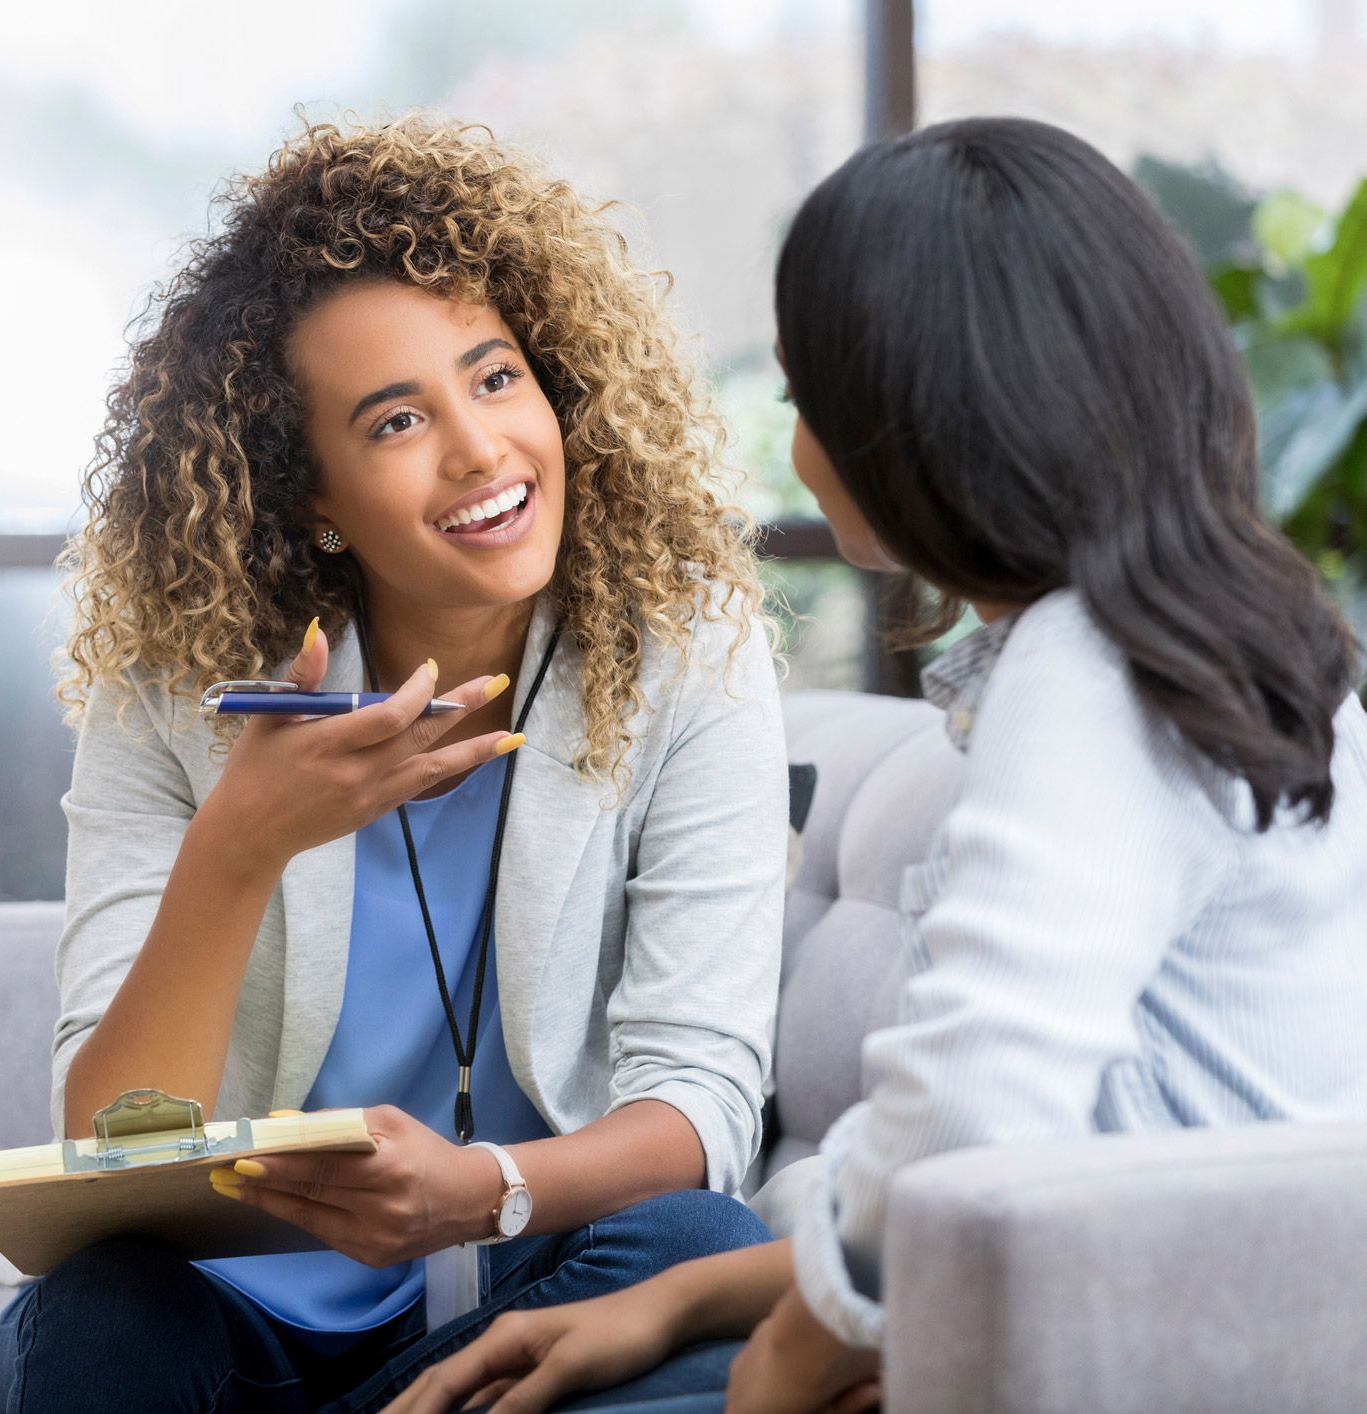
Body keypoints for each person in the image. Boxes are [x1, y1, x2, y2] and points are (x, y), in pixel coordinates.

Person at [384, 115, 1367, 1414]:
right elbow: (1096, 1149)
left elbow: (969, 1112)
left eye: (805, 402)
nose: (795, 445)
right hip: (1183, 1307)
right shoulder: (1256, 648)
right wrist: (685, 1299)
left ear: (919, 426)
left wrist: (790, 1360)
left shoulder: (1087, 676)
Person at [0, 116, 787, 1414]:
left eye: (494, 378)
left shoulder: (688, 652)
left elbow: (698, 1103)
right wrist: (239, 846)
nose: (478, 450)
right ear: (308, 493)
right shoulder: (176, 690)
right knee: (90, 1321)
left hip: (533, 1289)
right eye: (398, 417)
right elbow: (101, 1151)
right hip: (239, 1314)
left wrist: (487, 1189)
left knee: (703, 1247)